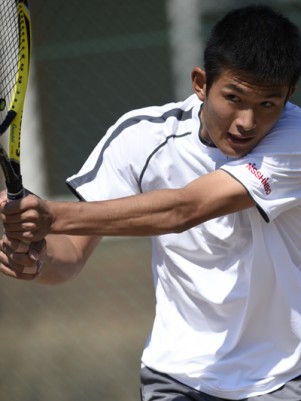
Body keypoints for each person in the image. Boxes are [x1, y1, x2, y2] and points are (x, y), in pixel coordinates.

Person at [1, 3, 301, 401]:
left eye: (267, 104)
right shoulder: (140, 138)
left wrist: (50, 215)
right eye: (234, 97)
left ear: (288, 97)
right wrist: (35, 259)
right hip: (175, 377)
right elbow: (69, 257)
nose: (247, 121)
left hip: (279, 379)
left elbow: (184, 209)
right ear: (200, 83)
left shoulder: (293, 139)